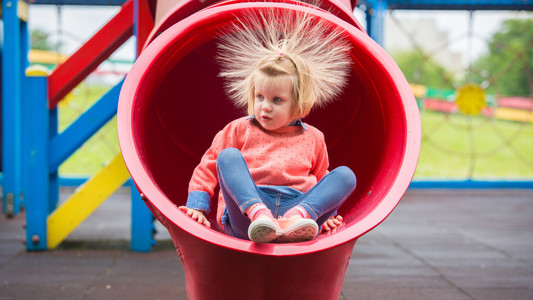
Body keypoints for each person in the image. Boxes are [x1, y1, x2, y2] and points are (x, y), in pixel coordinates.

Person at [179, 7, 356, 243]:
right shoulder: (239, 129)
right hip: (246, 214)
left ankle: (295, 219)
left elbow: (321, 178)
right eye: (260, 97)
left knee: (345, 176)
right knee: (227, 157)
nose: (265, 107)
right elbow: (209, 167)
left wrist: (327, 214)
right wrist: (198, 207)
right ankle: (260, 216)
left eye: (277, 100)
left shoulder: (314, 138)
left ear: (299, 102)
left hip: (297, 207)